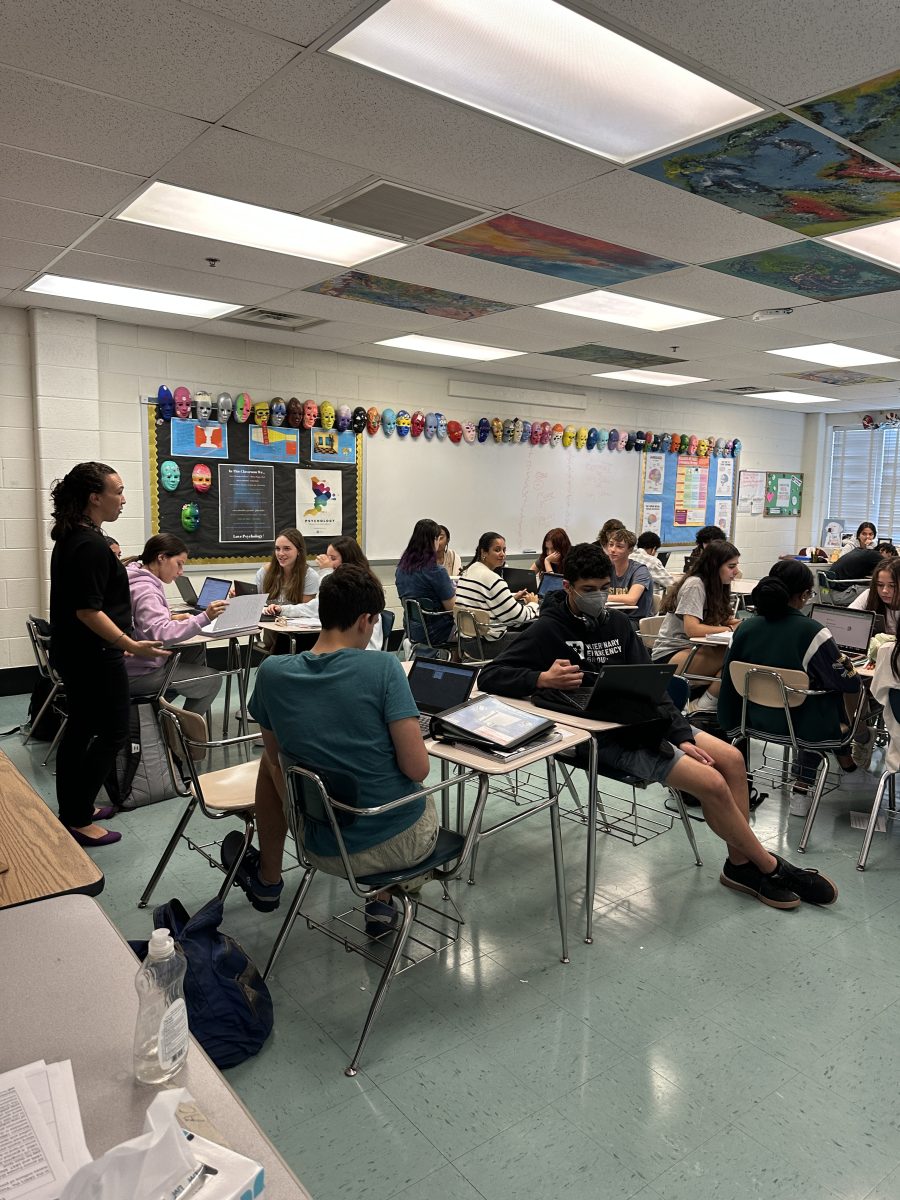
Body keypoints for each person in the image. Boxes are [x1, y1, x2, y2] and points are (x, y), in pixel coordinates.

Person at [478, 542, 837, 909]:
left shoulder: (617, 623)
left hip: (647, 720)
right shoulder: (548, 630)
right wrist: (542, 678)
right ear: (567, 586)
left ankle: (741, 864)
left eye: (604, 588)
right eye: (588, 590)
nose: (599, 597)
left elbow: (652, 685)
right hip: (606, 738)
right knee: (711, 782)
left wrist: (680, 734)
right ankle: (770, 866)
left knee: (731, 759)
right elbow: (491, 675)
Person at [226, 566, 438, 928]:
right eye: (373, 623)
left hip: (318, 840)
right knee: (411, 787)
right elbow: (417, 770)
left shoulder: (273, 673)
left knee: (269, 761)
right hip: (397, 842)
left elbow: (277, 757)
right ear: (363, 621)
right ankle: (381, 897)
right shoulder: (385, 668)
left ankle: (268, 876)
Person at [49, 462, 163, 846]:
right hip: (96, 655)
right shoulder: (92, 545)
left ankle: (73, 809)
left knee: (81, 729)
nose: (123, 498)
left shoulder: (74, 537)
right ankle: (79, 817)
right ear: (95, 497)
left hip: (76, 652)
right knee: (112, 732)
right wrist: (130, 644)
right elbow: (88, 610)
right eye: (118, 491)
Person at [718, 561, 862, 817]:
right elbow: (848, 681)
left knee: (817, 693)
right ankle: (851, 751)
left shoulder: (745, 628)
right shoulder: (812, 631)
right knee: (830, 697)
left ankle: (843, 764)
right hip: (804, 728)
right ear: (804, 594)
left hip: (750, 720)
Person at [125, 533, 227, 715]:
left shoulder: (136, 575)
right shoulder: (146, 590)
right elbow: (160, 635)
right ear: (161, 557)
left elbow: (141, 622)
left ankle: (161, 709)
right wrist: (205, 617)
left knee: (196, 649)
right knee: (213, 679)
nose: (181, 571)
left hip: (127, 664)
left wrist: (170, 617)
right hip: (139, 672)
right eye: (179, 563)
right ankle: (183, 733)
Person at [651, 541, 742, 715]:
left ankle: (705, 704)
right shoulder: (695, 584)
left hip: (693, 650)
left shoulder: (717, 586)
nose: (736, 572)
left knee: (738, 661)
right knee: (734, 655)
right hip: (670, 654)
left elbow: (723, 619)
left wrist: (738, 625)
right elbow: (692, 629)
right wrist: (729, 631)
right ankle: (701, 707)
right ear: (715, 566)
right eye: (731, 566)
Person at [297, 535, 384, 650]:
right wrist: (283, 610)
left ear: (347, 560)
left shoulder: (361, 587)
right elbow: (315, 606)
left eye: (333, 559)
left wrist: (326, 572)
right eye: (327, 558)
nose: (328, 562)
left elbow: (330, 596)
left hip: (363, 653)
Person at [455, 531, 539, 649]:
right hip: (485, 644)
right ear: (484, 552)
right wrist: (533, 605)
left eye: (504, 550)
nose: (502, 554)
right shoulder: (492, 579)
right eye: (497, 550)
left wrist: (510, 599)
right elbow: (517, 618)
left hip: (464, 641)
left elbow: (483, 602)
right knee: (538, 636)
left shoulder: (469, 571)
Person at [395, 518, 455, 647]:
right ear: (434, 540)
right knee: (473, 631)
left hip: (413, 629)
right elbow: (452, 609)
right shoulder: (436, 571)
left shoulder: (401, 569)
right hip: (437, 632)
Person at [257, 528, 319, 616]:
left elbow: (305, 610)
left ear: (299, 551)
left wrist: (281, 609)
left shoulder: (310, 576)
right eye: (277, 549)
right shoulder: (264, 572)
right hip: (268, 626)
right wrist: (239, 596)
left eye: (287, 548)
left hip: (295, 627)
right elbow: (256, 605)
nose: (281, 553)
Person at [604, 528, 653, 620]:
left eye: (619, 547)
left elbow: (631, 599)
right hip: (611, 617)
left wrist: (603, 596)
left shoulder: (640, 570)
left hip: (634, 620)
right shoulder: (607, 567)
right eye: (611, 545)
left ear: (630, 550)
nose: (612, 550)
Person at [849, 556, 900, 635]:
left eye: (892, 586)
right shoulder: (870, 594)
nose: (884, 591)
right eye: (880, 585)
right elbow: (848, 617)